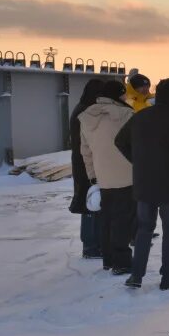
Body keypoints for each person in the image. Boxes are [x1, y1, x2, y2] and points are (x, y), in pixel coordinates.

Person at [116, 79, 169, 291]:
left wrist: (139, 162)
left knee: (144, 229)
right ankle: (168, 279)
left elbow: (119, 141)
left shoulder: (140, 117)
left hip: (145, 183)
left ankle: (136, 275)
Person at [79, 80, 135, 273]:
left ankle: (109, 260)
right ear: (117, 95)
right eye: (123, 94)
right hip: (127, 174)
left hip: (103, 176)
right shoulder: (127, 114)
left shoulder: (86, 117)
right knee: (123, 221)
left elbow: (85, 151)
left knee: (106, 219)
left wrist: (93, 176)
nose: (125, 97)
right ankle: (122, 263)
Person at [69, 79, 107, 259]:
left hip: (83, 161)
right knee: (91, 203)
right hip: (87, 163)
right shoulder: (87, 111)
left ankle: (94, 244)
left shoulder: (82, 107)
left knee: (92, 202)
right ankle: (91, 246)